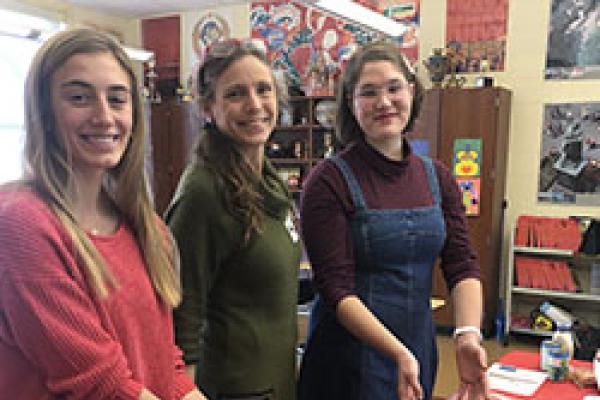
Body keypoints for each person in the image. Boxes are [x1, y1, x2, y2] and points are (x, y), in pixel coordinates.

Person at [0, 28, 205, 400]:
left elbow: (166, 368)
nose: (104, 116)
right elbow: (102, 386)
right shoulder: (20, 225)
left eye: (117, 99)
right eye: (79, 97)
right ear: (44, 112)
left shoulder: (147, 229)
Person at [297, 41, 489, 400]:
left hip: (416, 350)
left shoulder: (438, 178)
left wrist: (466, 334)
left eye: (393, 87)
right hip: (346, 363)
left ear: (412, 92)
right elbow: (336, 289)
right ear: (351, 105)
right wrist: (397, 351)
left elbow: (462, 265)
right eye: (368, 93)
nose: (383, 102)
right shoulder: (327, 182)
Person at [165, 39, 301, 400]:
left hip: (278, 381)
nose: (254, 105)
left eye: (263, 90)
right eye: (236, 94)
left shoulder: (270, 180)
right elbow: (182, 311)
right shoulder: (204, 191)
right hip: (235, 388)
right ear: (209, 107)